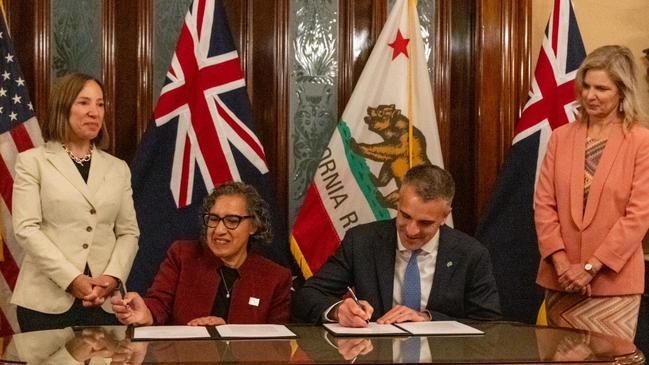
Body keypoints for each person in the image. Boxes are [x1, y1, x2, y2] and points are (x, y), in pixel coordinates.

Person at [293, 164, 501, 327]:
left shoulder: (470, 253)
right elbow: (307, 296)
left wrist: (427, 319)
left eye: (425, 223)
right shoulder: (362, 241)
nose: (411, 230)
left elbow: (489, 323)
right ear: (398, 203)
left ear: (445, 216)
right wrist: (339, 310)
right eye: (405, 215)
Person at [535, 45, 649, 341]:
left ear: (622, 92)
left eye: (601, 88)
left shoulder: (641, 141)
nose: (589, 95)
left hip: (613, 283)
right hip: (562, 282)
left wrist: (590, 268)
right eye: (585, 86)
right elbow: (544, 205)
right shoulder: (561, 137)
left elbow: (639, 216)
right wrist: (562, 265)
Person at [10, 72, 140, 332]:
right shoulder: (32, 161)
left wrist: (112, 278)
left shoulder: (118, 168)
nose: (94, 112)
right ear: (63, 107)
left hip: (104, 301)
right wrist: (71, 279)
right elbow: (26, 228)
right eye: (84, 102)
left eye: (100, 104)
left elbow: (128, 232)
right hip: (46, 304)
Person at [112, 182, 292, 326]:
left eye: (232, 220)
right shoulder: (182, 255)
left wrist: (227, 331)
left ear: (253, 226)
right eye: (213, 219)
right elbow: (159, 303)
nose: (219, 230)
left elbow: (276, 345)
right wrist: (146, 312)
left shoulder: (275, 277)